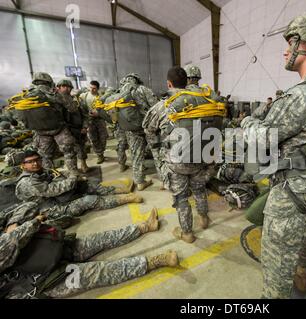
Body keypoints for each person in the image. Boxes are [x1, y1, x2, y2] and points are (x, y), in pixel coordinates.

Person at [240, 9, 306, 298]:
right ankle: (303, 272)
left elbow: (261, 140)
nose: (286, 52)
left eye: (290, 43)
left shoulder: (304, 96)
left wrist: (248, 122)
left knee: (275, 268)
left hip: (290, 192)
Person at [0, 205, 178, 299]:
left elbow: (24, 208)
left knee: (99, 239)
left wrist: (12, 224)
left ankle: (145, 227)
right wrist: (31, 224)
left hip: (42, 253)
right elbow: (11, 242)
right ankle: (155, 261)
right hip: (36, 282)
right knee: (100, 272)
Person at [144, 67, 223, 243]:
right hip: (201, 158)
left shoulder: (164, 105)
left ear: (169, 83)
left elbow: (148, 128)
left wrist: (158, 148)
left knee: (181, 198)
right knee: (199, 189)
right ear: (187, 81)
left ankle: (187, 233)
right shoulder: (205, 99)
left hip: (177, 161)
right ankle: (204, 218)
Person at [15, 150, 144, 225]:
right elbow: (52, 190)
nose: (35, 163)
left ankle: (118, 190)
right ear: (23, 165)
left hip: (59, 199)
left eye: (37, 160)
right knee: (88, 200)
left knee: (85, 185)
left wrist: (72, 177)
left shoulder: (40, 171)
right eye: (30, 162)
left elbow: (58, 174)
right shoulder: (27, 182)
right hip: (48, 210)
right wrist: (72, 178)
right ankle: (125, 199)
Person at [9, 72, 79, 175]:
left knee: (45, 157)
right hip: (59, 129)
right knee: (69, 153)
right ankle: (74, 175)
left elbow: (16, 117)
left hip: (41, 132)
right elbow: (73, 108)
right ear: (49, 82)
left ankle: (48, 176)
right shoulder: (54, 94)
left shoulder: (24, 96)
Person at [56, 79, 90, 174]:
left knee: (81, 147)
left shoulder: (77, 100)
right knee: (69, 152)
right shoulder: (55, 101)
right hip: (64, 130)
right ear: (58, 87)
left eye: (69, 87)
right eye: (64, 86)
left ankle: (83, 164)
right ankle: (73, 172)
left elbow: (85, 115)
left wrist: (84, 127)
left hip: (78, 129)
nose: (67, 89)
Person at [80, 81, 108, 164]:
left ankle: (101, 151)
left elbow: (107, 109)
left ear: (97, 89)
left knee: (103, 137)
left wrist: (99, 113)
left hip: (100, 120)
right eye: (90, 87)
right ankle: (99, 154)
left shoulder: (102, 97)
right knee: (93, 138)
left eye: (94, 88)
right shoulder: (84, 96)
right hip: (89, 121)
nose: (92, 89)